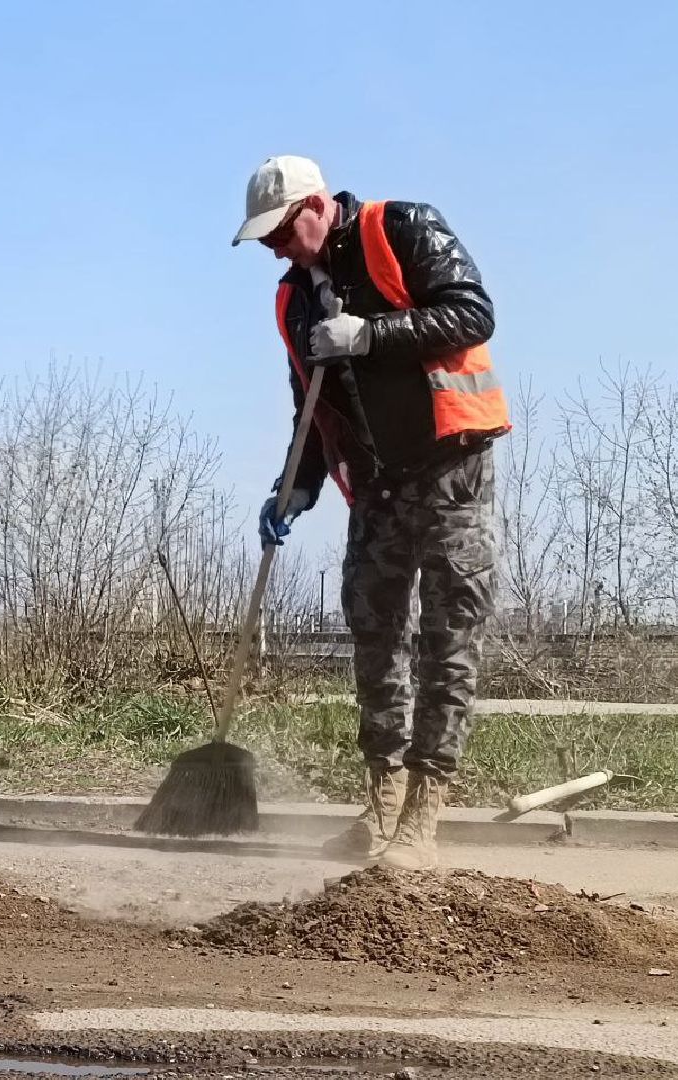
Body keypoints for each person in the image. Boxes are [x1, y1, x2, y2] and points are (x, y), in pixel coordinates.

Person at [234, 155, 508, 871]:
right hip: (380, 483)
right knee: (373, 629)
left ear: (319, 206)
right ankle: (381, 798)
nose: (275, 248)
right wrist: (295, 488)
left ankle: (423, 811)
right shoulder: (292, 301)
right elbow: (312, 407)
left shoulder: (403, 227)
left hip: (451, 466)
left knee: (449, 633)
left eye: (283, 231)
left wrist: (369, 334)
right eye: (264, 239)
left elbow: (474, 312)